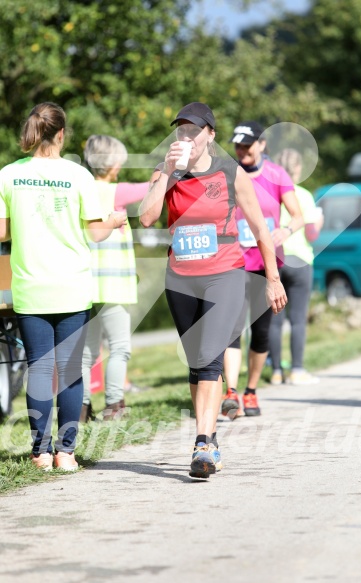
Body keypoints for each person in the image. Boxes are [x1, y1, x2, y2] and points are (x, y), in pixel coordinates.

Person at [139, 102, 287, 479]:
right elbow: (145, 216)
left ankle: (202, 441)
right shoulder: (165, 170)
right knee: (196, 361)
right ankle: (211, 438)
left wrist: (271, 278)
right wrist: (168, 172)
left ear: (210, 135)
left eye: (194, 130)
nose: (186, 136)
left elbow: (259, 228)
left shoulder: (231, 173)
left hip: (225, 273)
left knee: (209, 356)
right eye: (181, 130)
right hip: (181, 276)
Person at [0, 102, 127, 471]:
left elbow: (2, 233)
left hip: (30, 289)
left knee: (39, 369)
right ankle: (66, 453)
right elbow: (95, 232)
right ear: (61, 134)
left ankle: (40, 453)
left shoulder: (8, 175)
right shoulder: (79, 176)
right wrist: (115, 219)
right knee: (70, 372)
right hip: (72, 287)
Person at [222, 121, 303, 419]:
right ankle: (231, 392)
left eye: (247, 144)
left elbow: (298, 216)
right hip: (233, 261)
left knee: (262, 331)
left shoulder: (276, 175)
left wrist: (284, 231)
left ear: (262, 145)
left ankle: (251, 391)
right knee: (231, 329)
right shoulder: (227, 175)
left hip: (266, 265)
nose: (241, 149)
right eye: (238, 145)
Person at [81, 135, 149, 422]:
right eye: (119, 160)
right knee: (120, 347)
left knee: (86, 352)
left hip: (85, 282)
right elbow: (148, 188)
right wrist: (166, 172)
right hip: (112, 284)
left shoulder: (80, 189)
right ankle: (114, 404)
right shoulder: (115, 192)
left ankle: (81, 408)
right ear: (111, 164)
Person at [268, 148, 324, 385]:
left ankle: (277, 371)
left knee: (274, 319)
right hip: (300, 260)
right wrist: (318, 222)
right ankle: (298, 370)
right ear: (298, 169)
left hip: (275, 260)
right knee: (298, 319)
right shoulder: (303, 195)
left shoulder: (269, 194)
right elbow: (311, 235)